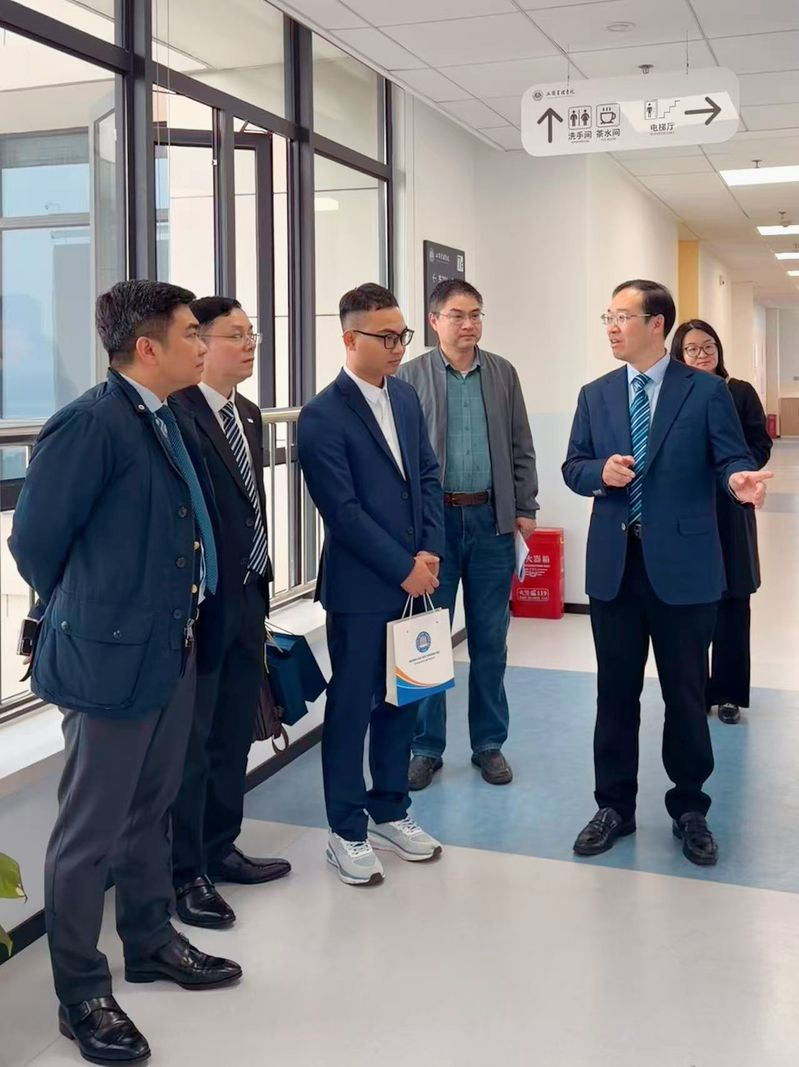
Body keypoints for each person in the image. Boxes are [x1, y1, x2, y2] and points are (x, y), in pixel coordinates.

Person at [8, 281, 242, 1066]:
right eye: (190, 334)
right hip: (108, 658)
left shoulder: (164, 415)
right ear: (147, 347)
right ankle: (81, 992)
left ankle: (148, 940)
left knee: (151, 809)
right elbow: (35, 543)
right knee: (88, 834)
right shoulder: (90, 424)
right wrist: (95, 609)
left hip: (168, 647)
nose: (203, 345)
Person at [562, 280, 772, 867]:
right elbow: (573, 465)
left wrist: (738, 479)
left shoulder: (705, 392)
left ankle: (690, 808)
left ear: (657, 324)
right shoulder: (596, 394)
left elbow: (730, 455)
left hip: (685, 568)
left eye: (622, 316)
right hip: (616, 569)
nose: (611, 327)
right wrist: (598, 473)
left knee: (685, 694)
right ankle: (613, 807)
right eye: (608, 316)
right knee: (615, 694)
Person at [297, 283, 445, 886]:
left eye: (401, 335)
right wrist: (403, 566)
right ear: (349, 338)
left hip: (416, 579)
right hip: (362, 589)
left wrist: (429, 550)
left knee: (402, 700)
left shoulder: (404, 397)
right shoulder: (321, 415)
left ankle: (390, 809)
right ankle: (345, 830)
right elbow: (343, 511)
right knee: (352, 707)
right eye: (385, 337)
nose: (397, 346)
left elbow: (427, 475)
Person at [170, 296, 290, 931]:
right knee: (193, 743)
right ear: (199, 342)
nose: (249, 346)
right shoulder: (177, 413)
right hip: (202, 606)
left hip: (248, 596)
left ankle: (221, 845)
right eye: (235, 335)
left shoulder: (246, 413)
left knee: (233, 732)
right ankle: (184, 872)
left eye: (253, 335)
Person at [396, 279, 539, 790]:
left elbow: (521, 445)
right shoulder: (409, 377)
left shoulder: (502, 373)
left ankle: (489, 743)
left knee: (490, 640)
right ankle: (424, 747)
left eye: (475, 314)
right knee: (426, 640)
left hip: (492, 522)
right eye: (457, 315)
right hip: (432, 528)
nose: (469, 324)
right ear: (434, 321)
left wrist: (525, 506)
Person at [670, 319, 773, 724]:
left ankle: (729, 693)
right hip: (686, 510)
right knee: (691, 607)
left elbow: (759, 443)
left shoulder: (739, 392)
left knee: (732, 602)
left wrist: (736, 470)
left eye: (708, 346)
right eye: (692, 348)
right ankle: (695, 692)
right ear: (678, 354)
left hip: (730, 509)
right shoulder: (671, 396)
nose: (701, 354)